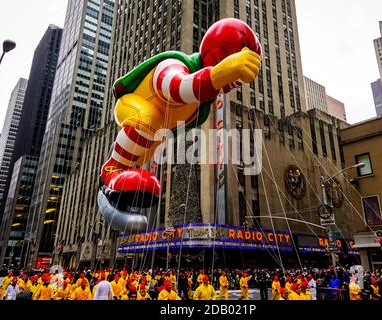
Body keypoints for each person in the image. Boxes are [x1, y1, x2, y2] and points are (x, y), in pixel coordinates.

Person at [98, 18, 262, 228]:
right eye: (235, 79)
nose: (234, 85)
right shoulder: (175, 63)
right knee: (147, 118)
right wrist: (219, 74)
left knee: (151, 128)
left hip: (154, 133)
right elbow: (176, 88)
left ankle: (124, 171)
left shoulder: (201, 108)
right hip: (134, 107)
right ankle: (112, 170)